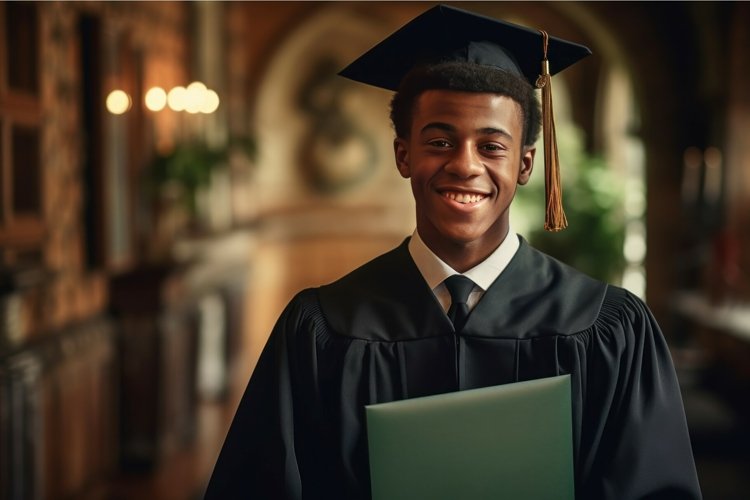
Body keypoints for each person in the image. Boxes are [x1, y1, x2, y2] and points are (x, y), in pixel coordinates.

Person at [205, 5, 702, 499]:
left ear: (526, 164)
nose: (465, 165)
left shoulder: (607, 327)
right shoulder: (323, 327)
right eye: (440, 141)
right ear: (404, 155)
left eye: (492, 146)